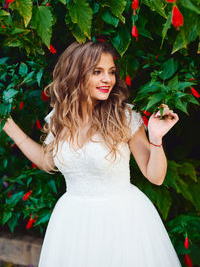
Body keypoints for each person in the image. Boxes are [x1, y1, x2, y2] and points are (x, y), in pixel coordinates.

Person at [2, 41, 181, 267]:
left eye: (111, 72)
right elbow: (47, 162)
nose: (108, 79)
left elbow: (156, 176)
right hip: (72, 223)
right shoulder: (61, 118)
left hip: (122, 221)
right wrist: (8, 126)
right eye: (97, 72)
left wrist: (156, 139)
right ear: (76, 74)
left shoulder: (123, 117)